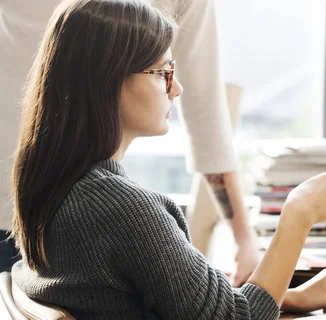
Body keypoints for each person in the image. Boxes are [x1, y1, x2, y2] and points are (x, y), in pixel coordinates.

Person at [8, 0, 326, 319]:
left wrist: (287, 297)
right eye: (162, 73)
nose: (176, 88)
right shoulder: (124, 211)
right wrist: (298, 215)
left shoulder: (54, 187)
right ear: (108, 80)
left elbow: (176, 301)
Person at [0, 0, 260, 286]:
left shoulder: (120, 206)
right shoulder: (132, 214)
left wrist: (243, 240)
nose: (175, 88)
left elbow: (206, 116)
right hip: (36, 214)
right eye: (162, 73)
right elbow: (206, 114)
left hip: (35, 202)